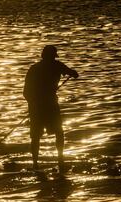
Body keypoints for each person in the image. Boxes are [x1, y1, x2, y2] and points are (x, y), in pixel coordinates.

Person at [23, 45, 79, 174]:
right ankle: (59, 162)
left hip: (37, 107)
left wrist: (33, 104)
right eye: (53, 57)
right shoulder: (56, 65)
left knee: (36, 136)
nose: (53, 59)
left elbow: (25, 93)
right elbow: (74, 74)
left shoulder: (35, 68)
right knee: (58, 132)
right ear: (52, 56)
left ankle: (36, 164)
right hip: (48, 106)